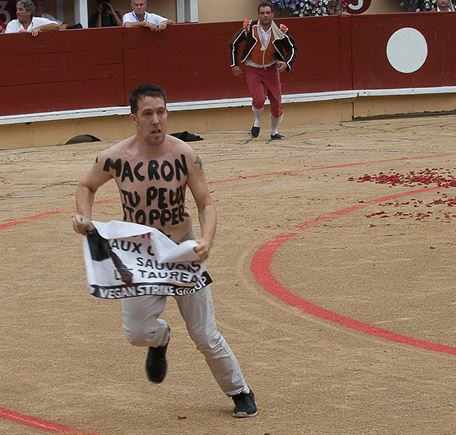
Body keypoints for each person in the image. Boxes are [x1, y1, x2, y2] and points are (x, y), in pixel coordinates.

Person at [72, 83, 257, 418]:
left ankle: (239, 391)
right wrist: (83, 215)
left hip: (181, 250)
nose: (156, 120)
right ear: (134, 118)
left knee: (204, 334)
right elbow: (86, 185)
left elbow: (206, 203)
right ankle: (160, 341)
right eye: (148, 114)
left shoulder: (185, 155)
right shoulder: (114, 156)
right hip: (140, 256)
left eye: (161, 112)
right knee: (137, 334)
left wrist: (207, 240)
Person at [230, 1, 297, 140]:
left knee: (277, 102)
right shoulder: (250, 28)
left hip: (272, 69)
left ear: (272, 14)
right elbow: (234, 43)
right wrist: (234, 64)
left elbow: (292, 47)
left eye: (268, 13)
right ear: (259, 15)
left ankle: (274, 131)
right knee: (259, 99)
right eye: (262, 13)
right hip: (253, 68)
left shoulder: (280, 30)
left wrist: (286, 63)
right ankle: (258, 121)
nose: (265, 16)